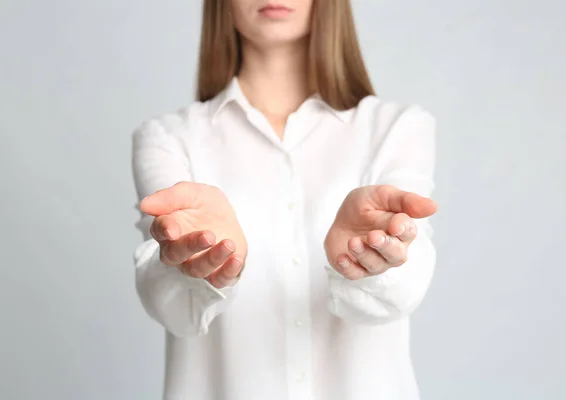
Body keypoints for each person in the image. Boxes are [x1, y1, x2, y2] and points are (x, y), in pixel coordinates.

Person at [131, 0, 438, 399]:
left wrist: (367, 259)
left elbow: (403, 292)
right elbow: (171, 307)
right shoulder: (168, 138)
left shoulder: (398, 128)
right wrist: (202, 262)